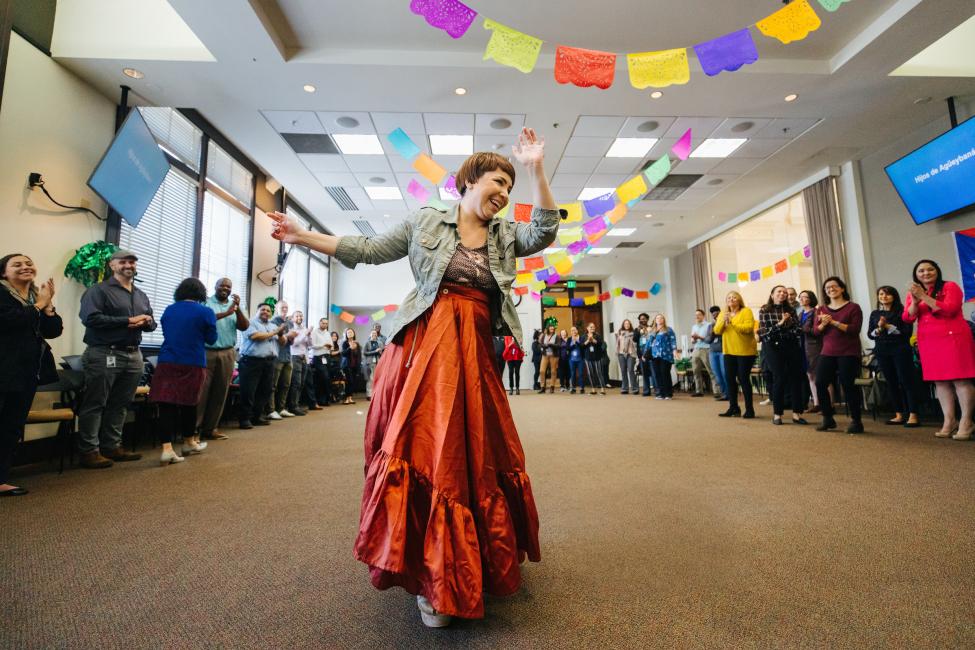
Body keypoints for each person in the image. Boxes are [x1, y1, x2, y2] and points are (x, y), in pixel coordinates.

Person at [268, 128, 555, 626]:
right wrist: (301, 235)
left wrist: (534, 170)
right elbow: (369, 249)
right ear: (468, 182)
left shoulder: (507, 233)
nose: (504, 192)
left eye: (510, 185)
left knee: (478, 452)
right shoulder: (427, 220)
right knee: (427, 449)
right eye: (497, 180)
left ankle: (476, 559)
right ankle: (430, 578)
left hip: (475, 355)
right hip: (424, 350)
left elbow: (545, 231)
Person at [76, 249, 155, 468]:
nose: (129, 265)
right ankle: (89, 451)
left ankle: (112, 446)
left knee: (121, 403)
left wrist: (147, 323)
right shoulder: (98, 291)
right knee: (96, 403)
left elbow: (152, 321)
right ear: (112, 265)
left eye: (132, 262)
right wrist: (127, 321)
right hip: (104, 352)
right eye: (123, 261)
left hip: (133, 354)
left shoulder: (140, 294)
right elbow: (90, 318)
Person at [0, 254, 62, 496]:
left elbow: (53, 331)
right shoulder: (2, 294)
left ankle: (1, 478)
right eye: (17, 264)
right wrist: (38, 306)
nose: (25, 267)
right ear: (4, 273)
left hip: (26, 372)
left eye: (28, 263)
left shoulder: (37, 295)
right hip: (3, 369)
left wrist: (48, 307)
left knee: (11, 427)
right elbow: (8, 321)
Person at [903, 260, 975, 440]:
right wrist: (915, 300)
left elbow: (950, 309)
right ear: (916, 274)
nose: (925, 273)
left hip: (953, 337)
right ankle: (949, 421)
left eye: (930, 269)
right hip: (929, 340)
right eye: (921, 270)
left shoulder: (950, 286)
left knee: (960, 380)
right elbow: (907, 317)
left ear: (937, 271)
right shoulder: (914, 292)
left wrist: (924, 297)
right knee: (940, 382)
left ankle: (967, 421)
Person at [150, 278, 218, 465]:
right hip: (193, 361)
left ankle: (167, 449)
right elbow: (212, 339)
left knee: (166, 405)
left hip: (167, 360)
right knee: (190, 402)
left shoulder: (169, 310)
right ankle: (188, 442)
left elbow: (167, 333)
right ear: (201, 294)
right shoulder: (206, 311)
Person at [198, 277, 249, 441]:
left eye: (228, 286)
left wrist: (238, 309)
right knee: (202, 392)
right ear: (215, 286)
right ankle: (194, 430)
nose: (225, 288)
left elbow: (244, 326)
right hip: (207, 351)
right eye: (222, 285)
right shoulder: (205, 303)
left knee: (220, 392)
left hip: (228, 352)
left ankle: (211, 428)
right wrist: (227, 312)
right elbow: (203, 322)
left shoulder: (235, 306)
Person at [814, 276, 864, 434]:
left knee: (848, 385)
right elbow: (816, 331)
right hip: (828, 351)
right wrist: (823, 324)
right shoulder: (821, 309)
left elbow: (854, 330)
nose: (831, 289)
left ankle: (856, 421)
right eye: (827, 288)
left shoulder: (853, 307)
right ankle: (828, 418)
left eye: (834, 286)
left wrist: (833, 322)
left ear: (842, 288)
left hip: (848, 352)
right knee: (820, 382)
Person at [868, 287, 919, 428]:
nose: (884, 296)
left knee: (906, 380)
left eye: (887, 294)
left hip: (900, 349)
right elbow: (870, 334)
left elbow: (906, 333)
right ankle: (898, 414)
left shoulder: (903, 311)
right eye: (881, 294)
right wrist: (879, 328)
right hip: (882, 350)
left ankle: (913, 414)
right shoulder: (875, 313)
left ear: (894, 296)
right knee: (890, 381)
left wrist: (888, 326)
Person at [758, 286, 807, 425]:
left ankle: (797, 414)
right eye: (779, 291)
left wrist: (789, 323)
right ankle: (777, 414)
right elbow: (764, 333)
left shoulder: (790, 310)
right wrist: (780, 324)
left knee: (795, 378)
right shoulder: (764, 310)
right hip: (773, 347)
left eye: (785, 292)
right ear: (772, 294)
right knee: (779, 378)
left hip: (791, 345)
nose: (783, 294)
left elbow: (798, 330)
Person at [237, 303, 284, 429]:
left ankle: (256, 417)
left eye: (268, 310)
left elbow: (283, 342)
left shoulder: (272, 325)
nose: (266, 312)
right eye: (263, 309)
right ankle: (245, 419)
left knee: (265, 391)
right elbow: (255, 336)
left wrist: (279, 334)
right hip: (252, 361)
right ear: (257, 311)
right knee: (249, 391)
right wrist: (275, 332)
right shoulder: (250, 323)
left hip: (269, 362)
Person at [714, 291, 757, 418]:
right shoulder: (723, 313)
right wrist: (723, 321)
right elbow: (717, 330)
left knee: (743, 379)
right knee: (730, 380)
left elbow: (748, 328)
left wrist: (732, 322)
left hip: (745, 351)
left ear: (739, 300)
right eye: (729, 298)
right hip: (728, 351)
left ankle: (749, 409)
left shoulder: (746, 311)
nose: (731, 299)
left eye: (734, 297)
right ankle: (733, 408)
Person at [269, 301, 297, 419]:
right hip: (277, 356)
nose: (285, 309)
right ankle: (271, 409)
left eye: (286, 307)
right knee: (273, 385)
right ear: (277, 308)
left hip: (287, 355)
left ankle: (281, 408)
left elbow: (291, 341)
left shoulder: (290, 322)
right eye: (282, 307)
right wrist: (288, 335)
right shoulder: (273, 321)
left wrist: (291, 336)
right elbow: (276, 338)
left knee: (286, 384)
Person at [798, 290, 822, 413]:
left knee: (820, 375)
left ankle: (829, 404)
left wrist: (801, 328)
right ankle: (817, 403)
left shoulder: (816, 312)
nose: (801, 299)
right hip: (802, 346)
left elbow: (816, 330)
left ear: (811, 299)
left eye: (804, 297)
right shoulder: (801, 313)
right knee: (810, 375)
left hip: (814, 346)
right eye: (800, 297)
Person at [286, 311, 310, 415]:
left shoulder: (304, 329)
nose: (300, 317)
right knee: (296, 383)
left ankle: (296, 405)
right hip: (294, 357)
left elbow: (310, 344)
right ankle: (292, 406)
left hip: (304, 357)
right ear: (292, 318)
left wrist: (309, 336)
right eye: (297, 316)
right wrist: (304, 334)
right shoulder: (291, 329)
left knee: (301, 383)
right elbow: (294, 343)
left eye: (301, 315)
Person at [689, 309, 717, 398]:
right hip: (696, 349)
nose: (697, 316)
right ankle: (699, 390)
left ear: (703, 315)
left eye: (699, 314)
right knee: (696, 371)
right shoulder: (694, 326)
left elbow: (709, 338)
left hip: (706, 349)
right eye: (696, 315)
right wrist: (693, 339)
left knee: (711, 371)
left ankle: (716, 391)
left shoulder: (709, 325)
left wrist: (699, 337)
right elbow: (692, 340)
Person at [650, 314, 677, 400]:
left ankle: (668, 393)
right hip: (655, 355)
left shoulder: (668, 329)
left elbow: (673, 340)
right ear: (655, 320)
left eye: (661, 318)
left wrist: (675, 350)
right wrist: (644, 354)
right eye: (657, 318)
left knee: (665, 373)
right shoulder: (653, 330)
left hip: (666, 355)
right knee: (657, 374)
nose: (659, 319)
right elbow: (649, 342)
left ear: (663, 320)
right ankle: (660, 393)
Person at [310, 318, 331, 409]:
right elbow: (312, 345)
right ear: (319, 323)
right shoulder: (314, 332)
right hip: (318, 357)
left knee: (326, 378)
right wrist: (323, 345)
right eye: (323, 323)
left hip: (327, 357)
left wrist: (330, 346)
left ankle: (324, 400)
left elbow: (330, 344)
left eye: (326, 323)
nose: (325, 325)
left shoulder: (327, 333)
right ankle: (320, 400)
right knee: (323, 378)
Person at [707, 306, 727, 400]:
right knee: (717, 374)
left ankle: (729, 394)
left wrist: (718, 331)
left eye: (716, 313)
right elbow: (707, 340)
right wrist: (712, 333)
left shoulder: (725, 323)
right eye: (713, 314)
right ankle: (724, 393)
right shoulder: (711, 325)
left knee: (724, 373)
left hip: (723, 351)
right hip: (712, 352)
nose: (714, 315)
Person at [615, 319, 638, 395]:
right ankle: (625, 388)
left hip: (631, 353)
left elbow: (635, 343)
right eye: (625, 324)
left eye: (628, 323)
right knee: (623, 370)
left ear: (630, 325)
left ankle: (634, 388)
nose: (627, 325)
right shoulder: (619, 333)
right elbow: (617, 343)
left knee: (631, 370)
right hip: (621, 353)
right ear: (623, 325)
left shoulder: (634, 333)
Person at [583, 322, 606, 395]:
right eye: (591, 327)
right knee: (590, 374)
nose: (592, 328)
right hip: (588, 358)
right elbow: (582, 346)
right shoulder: (583, 336)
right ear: (587, 328)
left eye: (593, 327)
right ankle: (593, 389)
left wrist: (592, 339)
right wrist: (588, 340)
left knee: (599, 373)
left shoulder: (598, 335)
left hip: (597, 357)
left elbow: (600, 344)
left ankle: (602, 389)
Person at [340, 328, 362, 405]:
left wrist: (359, 366)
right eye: (348, 332)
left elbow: (359, 356)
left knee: (353, 382)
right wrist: (350, 348)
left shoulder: (357, 343)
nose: (350, 333)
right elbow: (343, 354)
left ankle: (350, 397)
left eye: (351, 332)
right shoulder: (345, 343)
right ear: (346, 334)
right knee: (349, 381)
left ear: (353, 334)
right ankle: (346, 398)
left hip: (355, 365)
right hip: (347, 365)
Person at [538, 324, 561, 394]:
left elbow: (559, 345)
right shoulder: (544, 336)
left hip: (554, 356)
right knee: (542, 371)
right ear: (548, 329)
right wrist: (545, 346)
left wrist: (552, 345)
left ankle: (552, 387)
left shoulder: (556, 336)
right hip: (545, 355)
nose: (552, 330)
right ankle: (542, 387)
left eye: (553, 329)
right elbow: (540, 344)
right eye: (551, 329)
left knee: (553, 371)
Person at [362, 328, 384, 400]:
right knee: (370, 379)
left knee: (378, 378)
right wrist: (374, 351)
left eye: (375, 333)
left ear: (377, 334)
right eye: (372, 333)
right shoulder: (367, 343)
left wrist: (380, 352)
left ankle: (377, 394)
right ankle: (369, 395)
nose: (374, 334)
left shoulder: (380, 342)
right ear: (370, 334)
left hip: (378, 362)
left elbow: (383, 353)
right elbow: (364, 353)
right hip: (370, 363)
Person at [636, 313, 654, 396]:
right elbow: (634, 339)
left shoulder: (651, 328)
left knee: (653, 372)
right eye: (640, 319)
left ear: (647, 319)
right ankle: (646, 391)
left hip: (650, 353)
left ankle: (657, 390)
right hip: (641, 353)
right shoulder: (637, 329)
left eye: (644, 318)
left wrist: (647, 331)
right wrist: (639, 332)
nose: (642, 320)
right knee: (644, 373)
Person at [566, 326, 584, 394]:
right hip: (572, 359)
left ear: (577, 331)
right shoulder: (569, 339)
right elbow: (567, 348)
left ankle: (582, 388)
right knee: (572, 374)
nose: (573, 331)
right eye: (572, 330)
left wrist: (577, 341)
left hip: (580, 359)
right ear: (571, 332)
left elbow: (583, 347)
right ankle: (573, 388)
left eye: (574, 330)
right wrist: (573, 343)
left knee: (581, 374)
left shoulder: (581, 338)